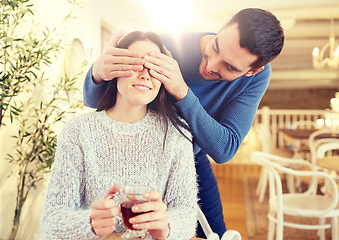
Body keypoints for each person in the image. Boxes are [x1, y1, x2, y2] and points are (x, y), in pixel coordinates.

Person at [83, 8, 284, 238]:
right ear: (222, 28)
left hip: (191, 157)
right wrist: (98, 72)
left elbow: (224, 149)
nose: (212, 65)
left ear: (253, 70)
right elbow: (95, 101)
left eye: (229, 67)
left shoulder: (258, 77)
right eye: (215, 47)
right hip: (138, 157)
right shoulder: (166, 44)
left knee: (214, 234)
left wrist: (182, 92)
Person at [40, 31, 198, 240]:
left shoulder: (177, 134)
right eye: (134, 64)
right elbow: (51, 221)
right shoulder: (77, 131)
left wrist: (167, 227)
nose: (145, 74)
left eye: (154, 67)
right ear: (113, 68)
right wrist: (89, 223)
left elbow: (187, 215)